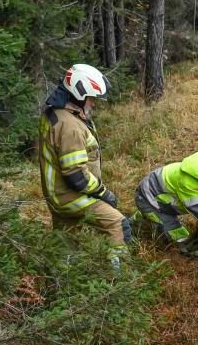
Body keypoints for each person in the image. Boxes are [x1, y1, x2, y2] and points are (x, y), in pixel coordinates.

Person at [38, 64, 131, 266]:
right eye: (92, 98)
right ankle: (119, 281)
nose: (94, 104)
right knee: (118, 224)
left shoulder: (55, 113)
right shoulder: (70, 127)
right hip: (69, 196)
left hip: (55, 194)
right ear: (79, 95)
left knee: (67, 246)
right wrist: (104, 193)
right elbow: (76, 176)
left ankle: (65, 283)